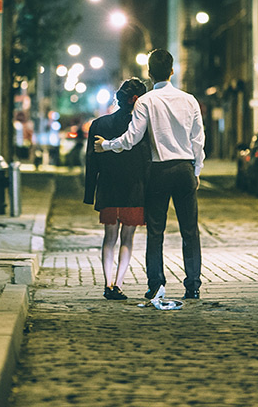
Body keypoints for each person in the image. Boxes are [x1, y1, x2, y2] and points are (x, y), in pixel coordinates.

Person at [95, 49, 205, 300]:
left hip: (159, 170)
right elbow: (198, 139)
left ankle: (156, 284)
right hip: (185, 168)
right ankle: (193, 285)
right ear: (172, 70)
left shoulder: (146, 101)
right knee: (190, 230)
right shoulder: (189, 100)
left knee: (156, 231)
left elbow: (132, 138)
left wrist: (107, 145)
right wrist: (196, 169)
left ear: (149, 72)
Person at [84, 78, 151, 300]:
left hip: (108, 187)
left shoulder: (99, 124)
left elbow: (91, 161)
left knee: (109, 237)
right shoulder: (142, 127)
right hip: (134, 188)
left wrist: (89, 192)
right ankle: (119, 283)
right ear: (138, 99)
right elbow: (147, 161)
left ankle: (107, 282)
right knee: (128, 239)